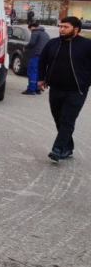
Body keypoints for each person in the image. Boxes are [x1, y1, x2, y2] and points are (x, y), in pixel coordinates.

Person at [37, 16, 91, 163]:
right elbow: (42, 62)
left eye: (65, 27)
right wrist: (41, 78)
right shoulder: (53, 44)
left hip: (77, 90)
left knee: (67, 120)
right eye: (61, 26)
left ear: (76, 29)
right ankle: (68, 147)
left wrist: (87, 81)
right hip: (56, 88)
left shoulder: (86, 45)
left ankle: (57, 149)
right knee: (59, 120)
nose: (62, 29)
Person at [22, 22, 50, 95]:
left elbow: (32, 43)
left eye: (30, 29)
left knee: (32, 71)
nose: (30, 31)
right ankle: (37, 88)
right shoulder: (45, 34)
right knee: (40, 72)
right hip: (45, 56)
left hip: (36, 55)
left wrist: (25, 47)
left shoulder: (35, 32)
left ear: (32, 27)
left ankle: (31, 89)